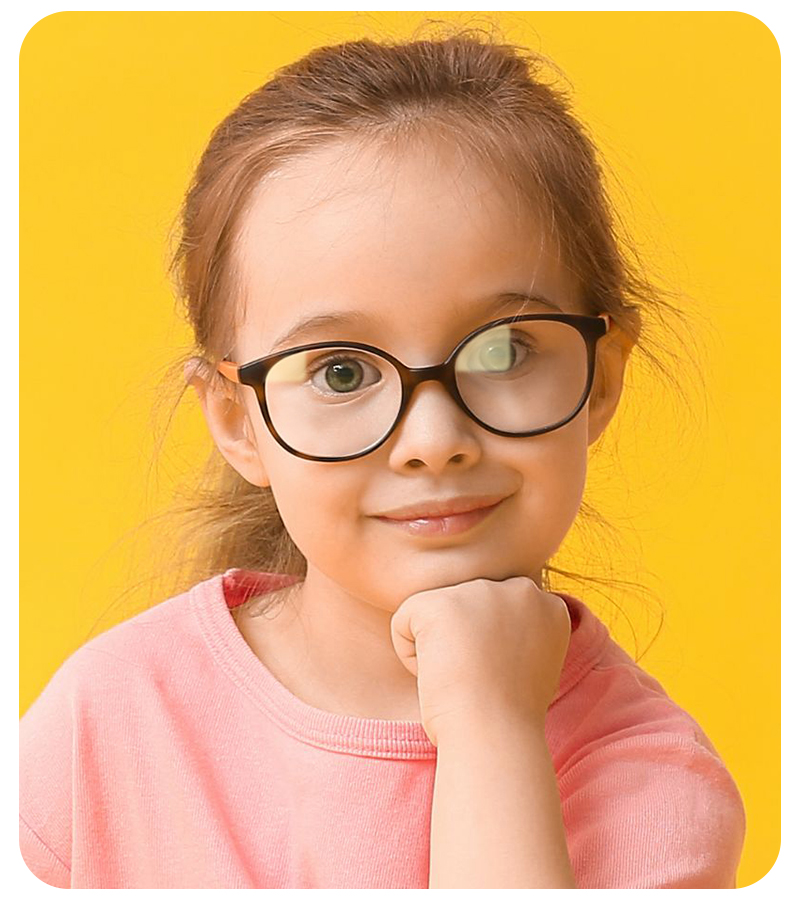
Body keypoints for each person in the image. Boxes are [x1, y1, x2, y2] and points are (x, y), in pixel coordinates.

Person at [19, 30, 746, 889]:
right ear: (238, 420)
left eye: (504, 350)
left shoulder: (655, 790)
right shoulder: (111, 716)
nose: (434, 442)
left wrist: (490, 729)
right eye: (340, 371)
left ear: (601, 379)